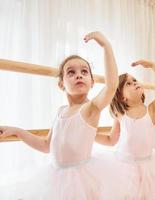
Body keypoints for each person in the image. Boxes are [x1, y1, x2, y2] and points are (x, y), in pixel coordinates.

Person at [0, 31, 125, 199]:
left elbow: (111, 86)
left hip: (80, 181)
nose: (79, 75)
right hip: (57, 179)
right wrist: (19, 132)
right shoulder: (60, 111)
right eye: (71, 72)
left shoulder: (90, 109)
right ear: (61, 84)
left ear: (92, 82)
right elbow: (46, 145)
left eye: (84, 71)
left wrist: (106, 46)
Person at [95, 60, 155, 199]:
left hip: (147, 167)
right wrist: (91, 134)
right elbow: (111, 140)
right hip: (124, 167)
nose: (135, 83)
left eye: (135, 80)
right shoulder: (121, 115)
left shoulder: (152, 110)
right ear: (122, 97)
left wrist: (153, 66)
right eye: (128, 83)